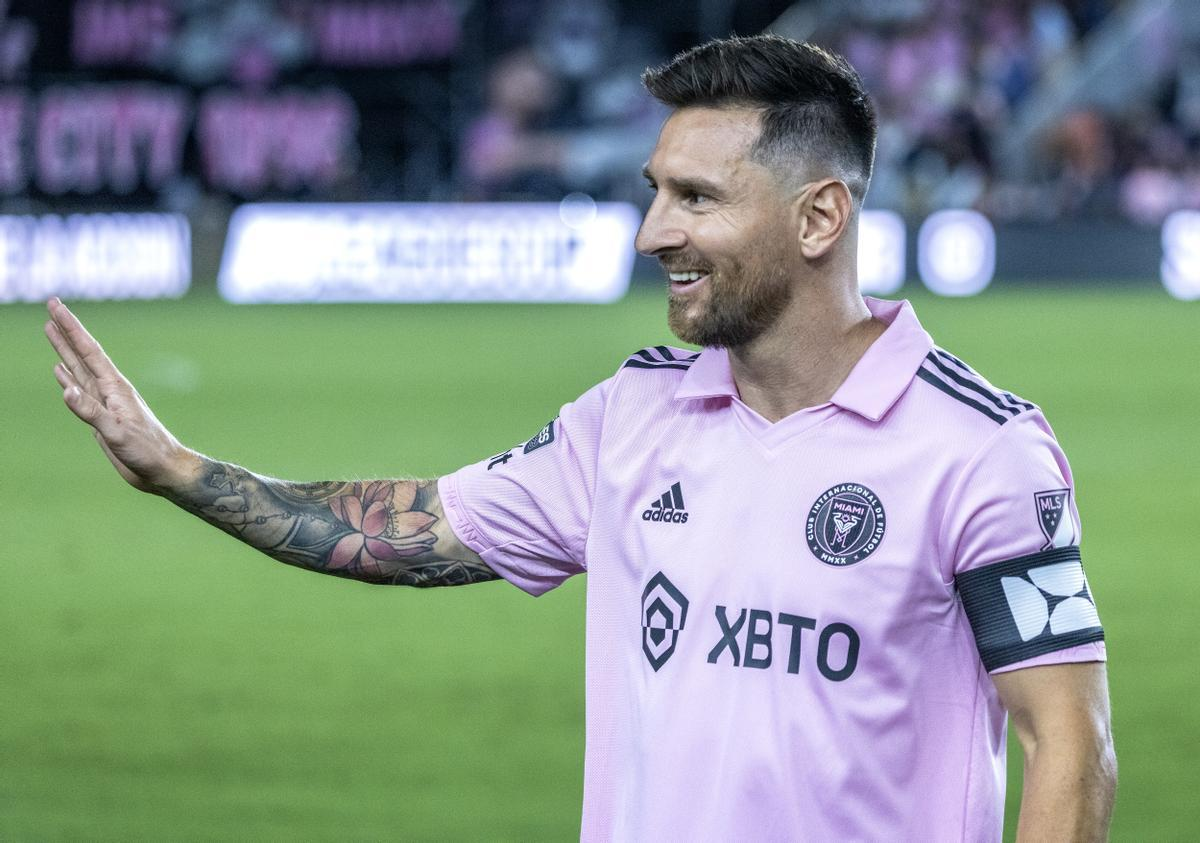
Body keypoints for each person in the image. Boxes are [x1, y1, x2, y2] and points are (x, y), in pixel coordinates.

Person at [45, 35, 1115, 842]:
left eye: (696, 198)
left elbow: (1071, 747)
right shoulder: (631, 416)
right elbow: (409, 531)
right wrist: (179, 469)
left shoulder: (980, 450)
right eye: (656, 193)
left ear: (819, 217)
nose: (654, 232)